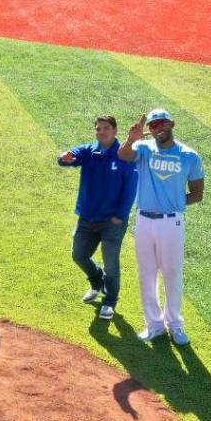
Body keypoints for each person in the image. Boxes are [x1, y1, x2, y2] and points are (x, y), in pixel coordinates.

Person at [117, 109, 205, 346]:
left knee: (172, 274)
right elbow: (123, 155)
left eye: (161, 123)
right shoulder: (144, 149)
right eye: (153, 125)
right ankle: (154, 325)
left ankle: (175, 325)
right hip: (144, 221)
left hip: (171, 223)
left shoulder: (189, 156)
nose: (158, 128)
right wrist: (131, 138)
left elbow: (197, 194)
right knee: (147, 274)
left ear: (171, 124)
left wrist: (174, 202)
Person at [57, 115, 138, 321]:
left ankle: (110, 301)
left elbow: (130, 189)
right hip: (87, 217)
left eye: (105, 128)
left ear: (115, 131)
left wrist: (120, 216)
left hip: (112, 222)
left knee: (111, 263)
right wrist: (64, 157)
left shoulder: (125, 156)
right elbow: (69, 157)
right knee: (79, 254)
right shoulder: (89, 151)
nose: (101, 132)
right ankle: (96, 281)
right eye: (98, 128)